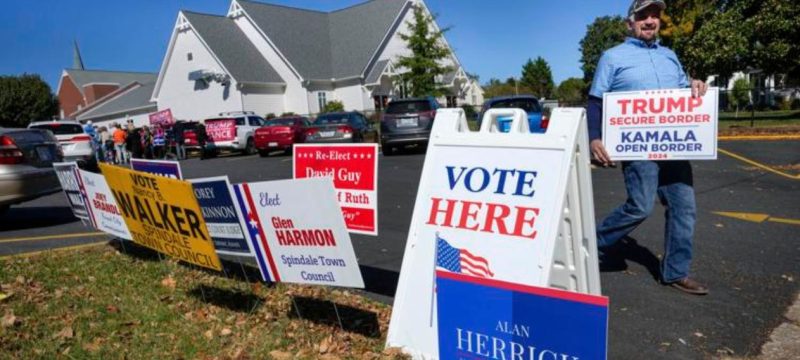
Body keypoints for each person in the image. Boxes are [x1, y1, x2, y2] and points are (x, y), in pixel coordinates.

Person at [587, 0, 709, 295]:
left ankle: (676, 272)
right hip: (637, 147)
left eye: (655, 15)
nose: (650, 20)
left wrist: (695, 84)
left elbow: (682, 92)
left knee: (684, 207)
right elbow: (595, 101)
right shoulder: (613, 57)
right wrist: (594, 138)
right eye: (643, 15)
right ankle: (590, 245)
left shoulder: (670, 56)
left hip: (674, 145)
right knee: (640, 206)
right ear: (630, 22)